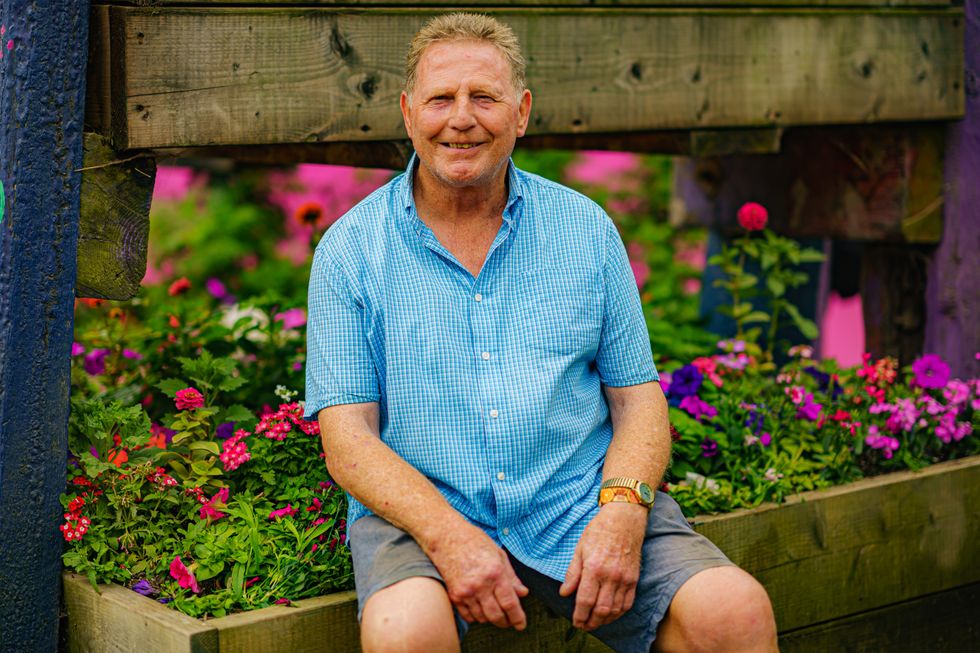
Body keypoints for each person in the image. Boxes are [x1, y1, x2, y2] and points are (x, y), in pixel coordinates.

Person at [305, 13, 778, 653]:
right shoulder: (350, 250)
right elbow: (348, 439)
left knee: (734, 610)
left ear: (521, 112)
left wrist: (622, 512)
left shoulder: (584, 230)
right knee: (404, 631)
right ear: (409, 112)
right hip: (425, 511)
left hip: (576, 495)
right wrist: (450, 537)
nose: (461, 118)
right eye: (441, 99)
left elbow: (638, 399)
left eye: (485, 98)